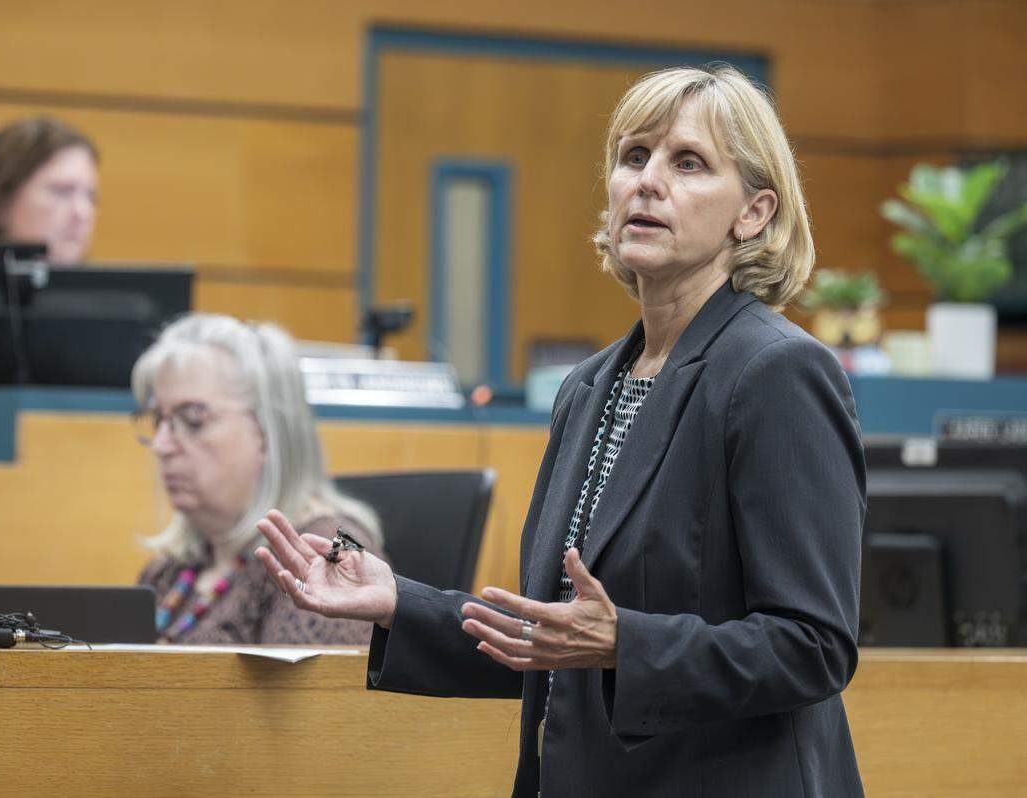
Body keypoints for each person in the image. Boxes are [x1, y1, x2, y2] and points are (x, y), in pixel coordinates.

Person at [257, 64, 865, 797]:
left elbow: (814, 646)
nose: (647, 181)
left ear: (754, 213)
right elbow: (555, 637)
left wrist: (626, 644)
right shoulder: (590, 388)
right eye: (633, 157)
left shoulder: (776, 374)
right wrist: (399, 601)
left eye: (689, 163)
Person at [132, 313, 383, 645]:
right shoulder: (169, 573)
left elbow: (304, 698)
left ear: (268, 432)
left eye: (192, 419)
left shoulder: (330, 554)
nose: (162, 445)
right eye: (159, 421)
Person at [0, 116, 99, 264]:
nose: (82, 213)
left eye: (91, 197)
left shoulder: (106, 295)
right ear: (0, 204)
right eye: (62, 192)